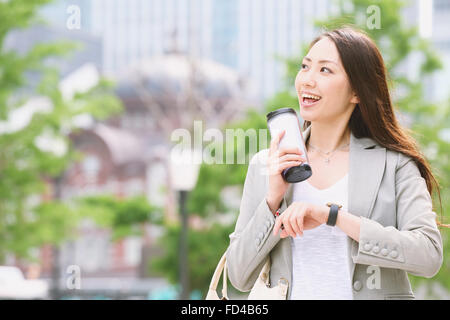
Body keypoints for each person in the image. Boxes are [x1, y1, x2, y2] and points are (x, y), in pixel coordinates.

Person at [226, 27, 444, 300]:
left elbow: (428, 254)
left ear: (356, 92)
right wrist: (272, 201)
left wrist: (333, 217)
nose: (307, 80)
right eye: (305, 67)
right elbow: (238, 276)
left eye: (325, 70)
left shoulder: (395, 165)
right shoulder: (267, 166)